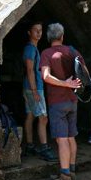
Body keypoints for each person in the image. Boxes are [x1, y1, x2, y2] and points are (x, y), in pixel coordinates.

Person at [40, 22, 86, 180]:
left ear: (49, 37)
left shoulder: (46, 53)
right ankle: (72, 170)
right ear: (62, 36)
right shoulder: (72, 51)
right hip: (73, 101)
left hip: (57, 101)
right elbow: (84, 72)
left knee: (62, 140)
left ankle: (65, 176)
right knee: (71, 137)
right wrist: (72, 84)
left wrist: (64, 83)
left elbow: (45, 76)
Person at [21, 22, 57, 162]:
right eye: (35, 30)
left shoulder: (32, 48)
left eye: (40, 30)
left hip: (29, 86)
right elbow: (30, 70)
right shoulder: (30, 49)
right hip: (34, 87)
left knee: (30, 115)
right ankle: (44, 148)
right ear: (29, 32)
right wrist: (35, 90)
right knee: (43, 117)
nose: (38, 33)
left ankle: (30, 145)